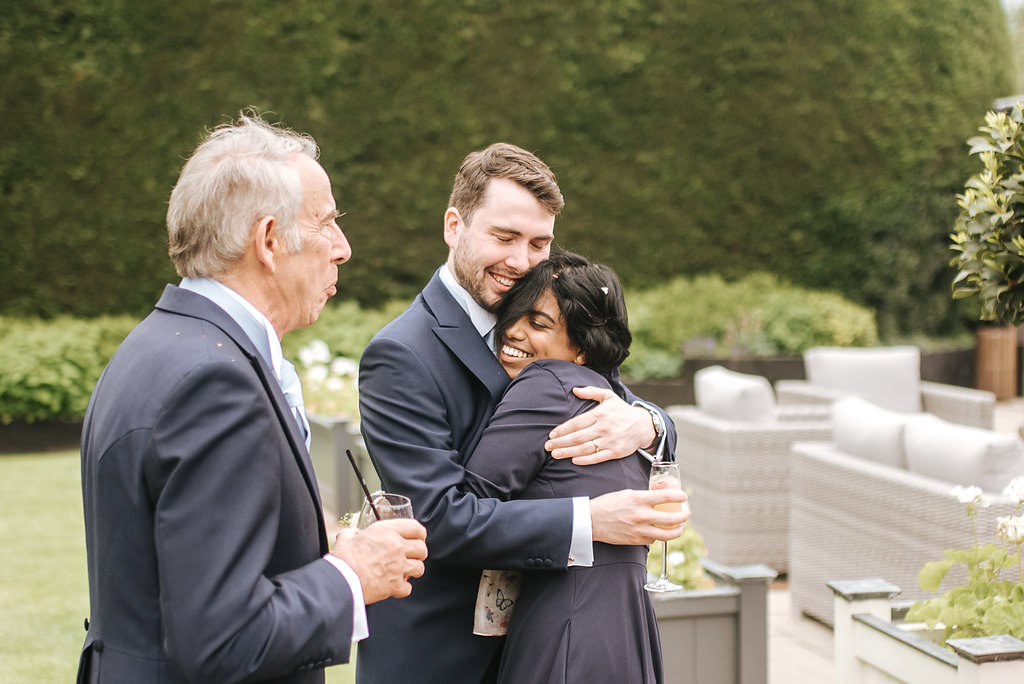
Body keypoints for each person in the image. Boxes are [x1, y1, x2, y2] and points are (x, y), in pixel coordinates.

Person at [77, 113, 427, 684]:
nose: (344, 247)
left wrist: (317, 544)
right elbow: (222, 640)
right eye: (328, 223)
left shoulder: (158, 343)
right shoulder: (214, 383)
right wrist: (349, 575)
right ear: (269, 241)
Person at [356, 142, 687, 684]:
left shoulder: (554, 314)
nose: (521, 261)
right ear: (453, 225)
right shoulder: (401, 354)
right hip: (444, 657)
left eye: (539, 242)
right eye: (504, 237)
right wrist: (591, 521)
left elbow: (610, 393)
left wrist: (650, 422)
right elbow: (437, 518)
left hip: (551, 638)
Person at [463, 250, 665, 684]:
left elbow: (468, 507)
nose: (513, 330)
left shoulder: (545, 383)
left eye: (538, 323)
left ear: (581, 348)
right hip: (626, 628)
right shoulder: (611, 403)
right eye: (515, 315)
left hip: (567, 628)